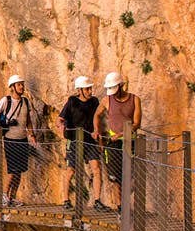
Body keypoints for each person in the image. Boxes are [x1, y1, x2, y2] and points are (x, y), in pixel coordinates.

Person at [95, 72, 141, 208]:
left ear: (121, 85)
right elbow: (97, 114)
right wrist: (96, 129)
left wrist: (121, 134)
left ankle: (127, 205)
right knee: (115, 178)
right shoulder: (107, 100)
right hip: (113, 143)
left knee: (132, 177)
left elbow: (137, 123)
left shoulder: (135, 100)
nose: (113, 93)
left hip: (130, 141)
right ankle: (121, 208)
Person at [0, 74, 39, 206]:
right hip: (10, 140)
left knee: (20, 171)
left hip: (22, 139)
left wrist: (32, 134)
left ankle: (11, 198)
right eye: (19, 85)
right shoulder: (5, 101)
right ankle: (4, 196)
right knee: (13, 170)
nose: (22, 87)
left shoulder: (25, 102)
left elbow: (28, 120)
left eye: (22, 84)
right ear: (12, 87)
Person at [59, 76, 103, 209]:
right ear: (80, 90)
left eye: (90, 88)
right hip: (74, 141)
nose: (90, 91)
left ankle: (97, 201)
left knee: (96, 169)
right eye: (87, 89)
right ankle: (66, 200)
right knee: (70, 170)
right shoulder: (72, 102)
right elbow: (60, 118)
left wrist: (98, 137)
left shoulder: (94, 101)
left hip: (90, 141)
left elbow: (98, 119)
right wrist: (61, 125)